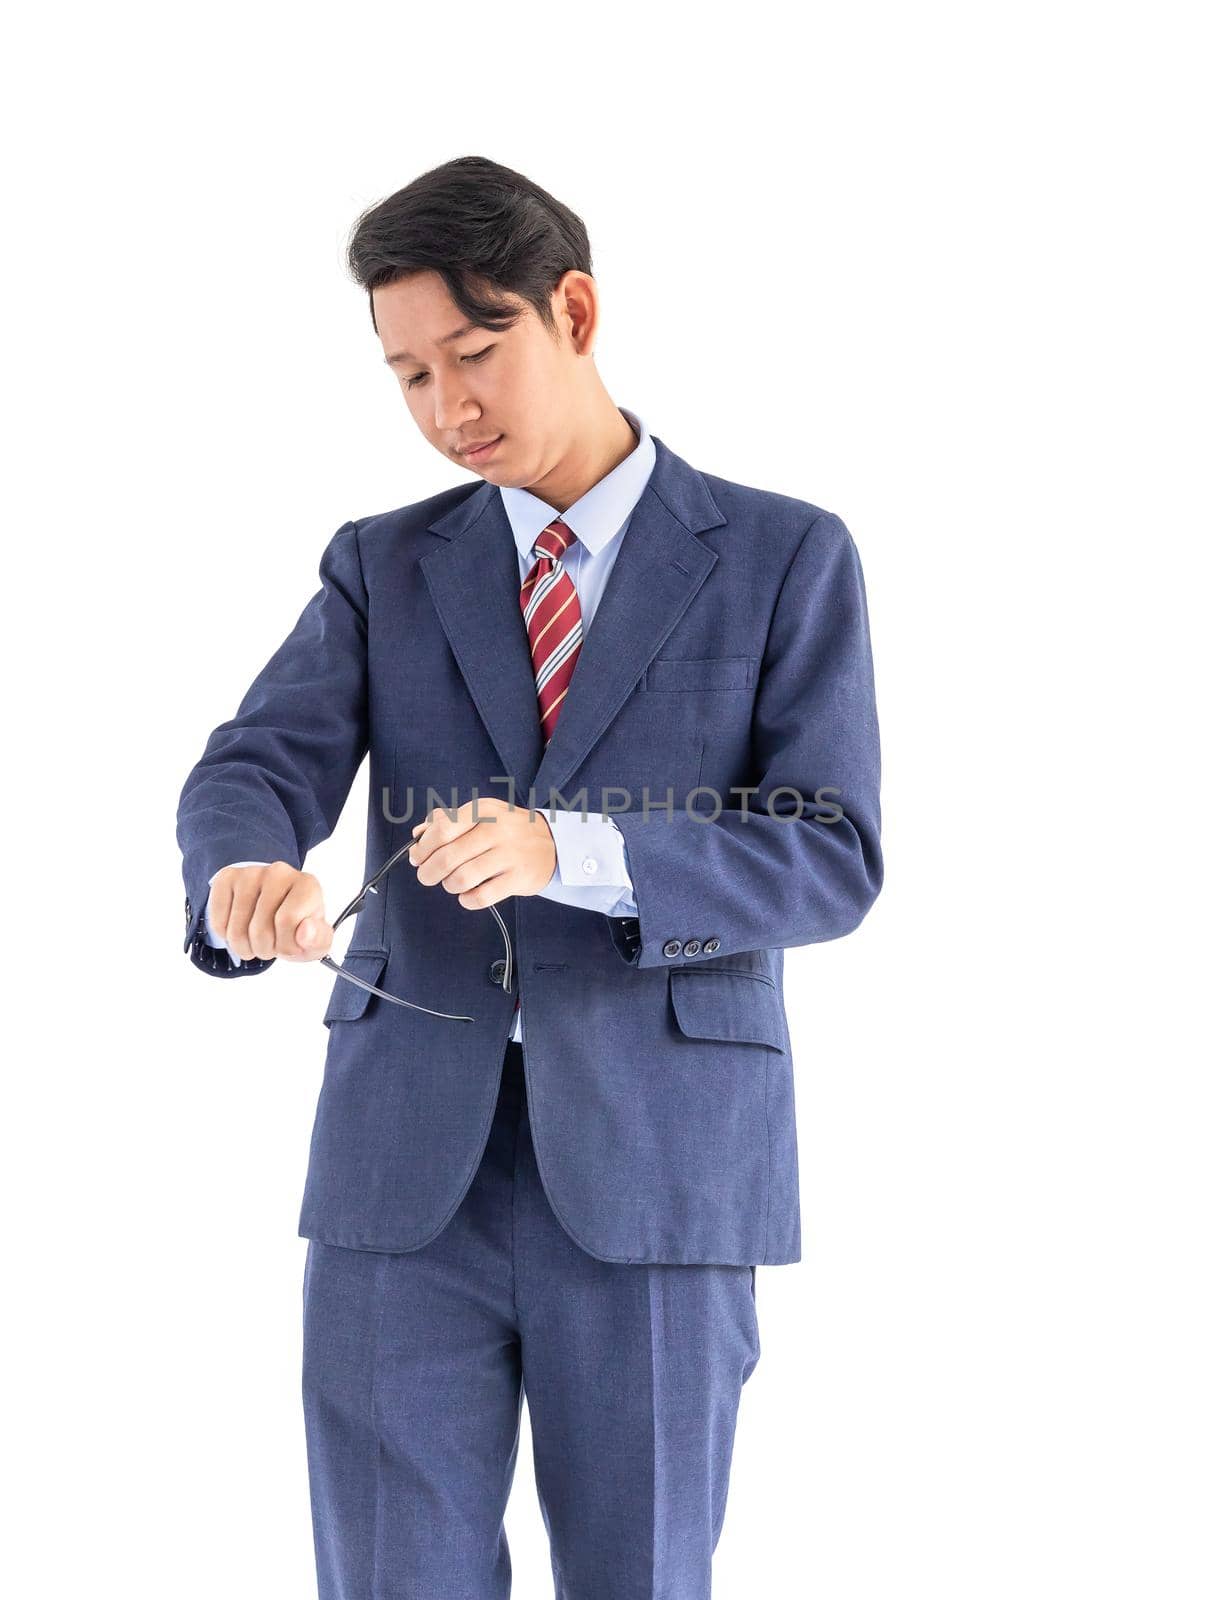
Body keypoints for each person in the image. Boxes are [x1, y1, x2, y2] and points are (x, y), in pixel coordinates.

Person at [177, 154, 883, 1600]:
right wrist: (247, 863)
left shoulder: (779, 555)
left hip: (659, 1162)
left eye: (477, 354)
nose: (450, 411)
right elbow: (254, 760)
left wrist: (576, 852)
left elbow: (829, 852)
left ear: (573, 307)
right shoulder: (385, 565)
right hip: (400, 1177)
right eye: (409, 377)